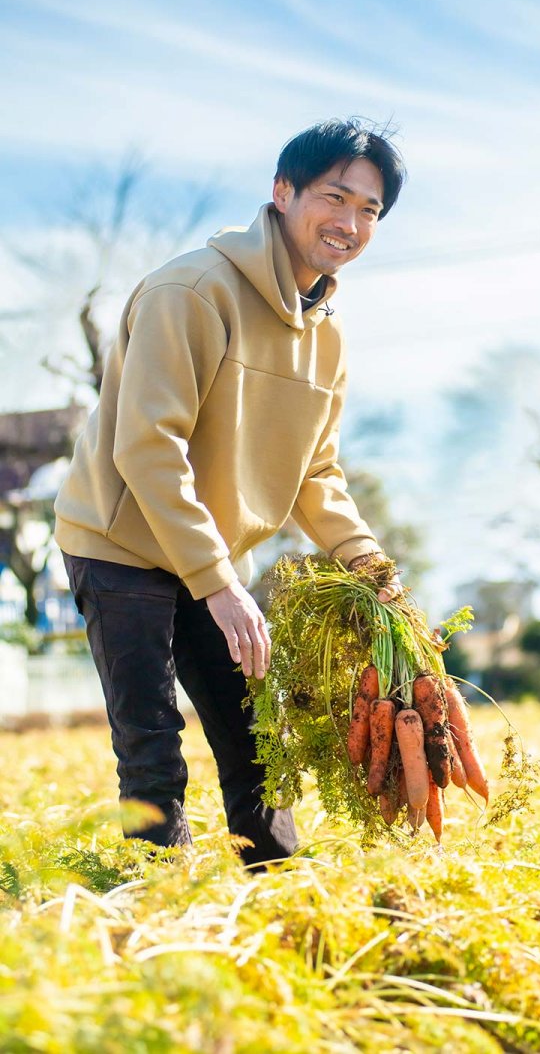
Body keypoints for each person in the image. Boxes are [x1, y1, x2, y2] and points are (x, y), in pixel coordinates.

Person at [54, 117, 406, 868]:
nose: (349, 223)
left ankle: (283, 890)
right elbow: (148, 445)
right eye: (334, 197)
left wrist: (376, 571)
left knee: (259, 744)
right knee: (153, 748)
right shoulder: (192, 290)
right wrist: (217, 584)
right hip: (120, 543)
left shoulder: (329, 339)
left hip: (211, 558)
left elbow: (317, 474)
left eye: (369, 210)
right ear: (282, 193)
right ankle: (160, 911)